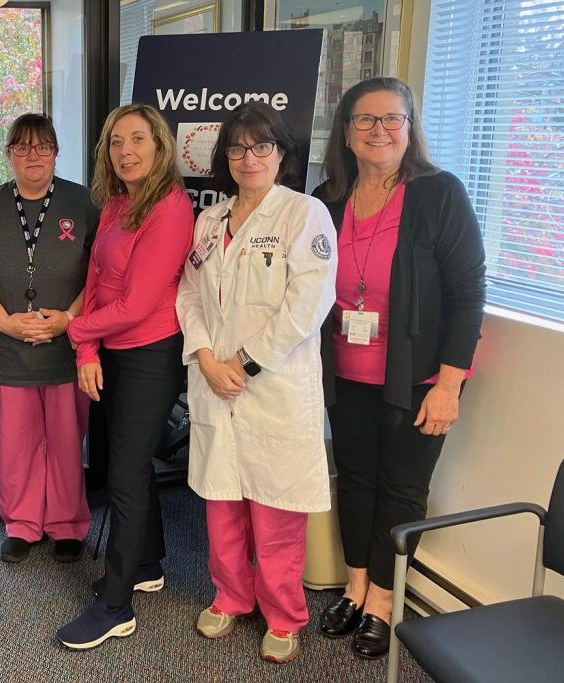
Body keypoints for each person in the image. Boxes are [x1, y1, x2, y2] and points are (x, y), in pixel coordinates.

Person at [313, 77, 486, 658]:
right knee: (356, 479)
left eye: (393, 119)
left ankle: (385, 600)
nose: (380, 130)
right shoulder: (328, 198)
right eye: (366, 119)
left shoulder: (440, 194)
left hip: (415, 379)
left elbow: (467, 293)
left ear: (411, 129)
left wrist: (450, 384)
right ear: (346, 130)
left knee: (403, 488)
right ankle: (355, 586)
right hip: (346, 374)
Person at [175, 102, 338, 664]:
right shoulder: (210, 220)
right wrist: (203, 354)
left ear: (282, 154)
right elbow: (189, 294)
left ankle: (285, 614)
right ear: (225, 157)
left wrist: (240, 364)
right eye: (238, 148)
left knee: (274, 513)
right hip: (214, 382)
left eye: (261, 147)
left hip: (270, 387)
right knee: (221, 505)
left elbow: (305, 308)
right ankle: (230, 596)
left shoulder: (304, 215)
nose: (249, 158)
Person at [55, 104, 194, 650]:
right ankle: (145, 564)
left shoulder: (170, 208)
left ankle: (116, 606)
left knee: (128, 471)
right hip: (108, 349)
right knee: (119, 461)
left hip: (148, 354)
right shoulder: (116, 201)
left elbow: (136, 305)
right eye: (116, 142)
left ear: (160, 147)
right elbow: (93, 277)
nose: (126, 151)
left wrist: (73, 329)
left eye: (138, 139)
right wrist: (86, 347)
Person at [0, 114, 98, 564]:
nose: (33, 156)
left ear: (56, 151)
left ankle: (67, 522)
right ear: (9, 153)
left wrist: (68, 320)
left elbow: (102, 271)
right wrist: (4, 322)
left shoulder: (84, 202)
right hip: (3, 347)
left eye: (43, 146)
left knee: (67, 439)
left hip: (65, 347)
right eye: (22, 147)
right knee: (13, 442)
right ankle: (22, 523)